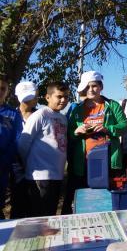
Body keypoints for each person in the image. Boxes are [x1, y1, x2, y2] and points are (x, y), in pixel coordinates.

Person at [67, 71, 127, 195]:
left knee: (107, 196)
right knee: (86, 195)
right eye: (87, 86)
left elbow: (124, 126)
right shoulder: (77, 109)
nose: (90, 89)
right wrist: (76, 131)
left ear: (101, 87)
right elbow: (69, 133)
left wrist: (107, 128)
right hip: (84, 161)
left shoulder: (113, 105)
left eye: (94, 86)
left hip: (108, 159)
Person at [18, 81, 69, 217]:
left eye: (66, 97)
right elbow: (23, 143)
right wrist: (27, 164)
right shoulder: (40, 115)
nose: (63, 100)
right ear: (47, 97)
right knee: (39, 217)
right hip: (40, 176)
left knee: (51, 215)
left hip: (57, 175)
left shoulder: (63, 118)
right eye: (59, 96)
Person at [10, 81, 39, 218]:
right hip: (15, 166)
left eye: (32, 97)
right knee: (18, 202)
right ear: (18, 97)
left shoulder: (41, 115)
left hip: (37, 164)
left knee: (35, 204)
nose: (29, 101)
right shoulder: (10, 116)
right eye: (26, 97)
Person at [61, 88, 87, 215]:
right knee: (72, 190)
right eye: (84, 94)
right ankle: (67, 214)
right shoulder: (74, 107)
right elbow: (67, 131)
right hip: (75, 155)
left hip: (90, 157)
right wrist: (76, 132)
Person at [0, 75, 23, 219]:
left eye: (3, 89)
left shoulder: (13, 114)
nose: (0, 91)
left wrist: (4, 161)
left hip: (2, 167)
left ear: (7, 91)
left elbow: (16, 140)